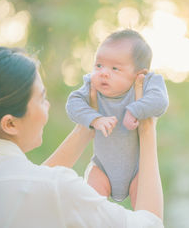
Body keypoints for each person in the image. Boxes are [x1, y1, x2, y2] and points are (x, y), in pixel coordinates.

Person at [0, 46, 164, 227]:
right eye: (42, 98)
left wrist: (87, 126)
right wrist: (147, 127)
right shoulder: (57, 189)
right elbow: (149, 224)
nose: (47, 105)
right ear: (10, 123)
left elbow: (27, 187)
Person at [66, 29, 169, 207]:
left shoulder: (147, 84)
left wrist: (135, 110)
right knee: (91, 207)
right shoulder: (92, 85)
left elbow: (160, 101)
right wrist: (94, 118)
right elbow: (72, 104)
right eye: (98, 65)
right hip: (102, 167)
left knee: (145, 210)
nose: (104, 73)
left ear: (139, 74)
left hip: (137, 169)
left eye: (115, 68)